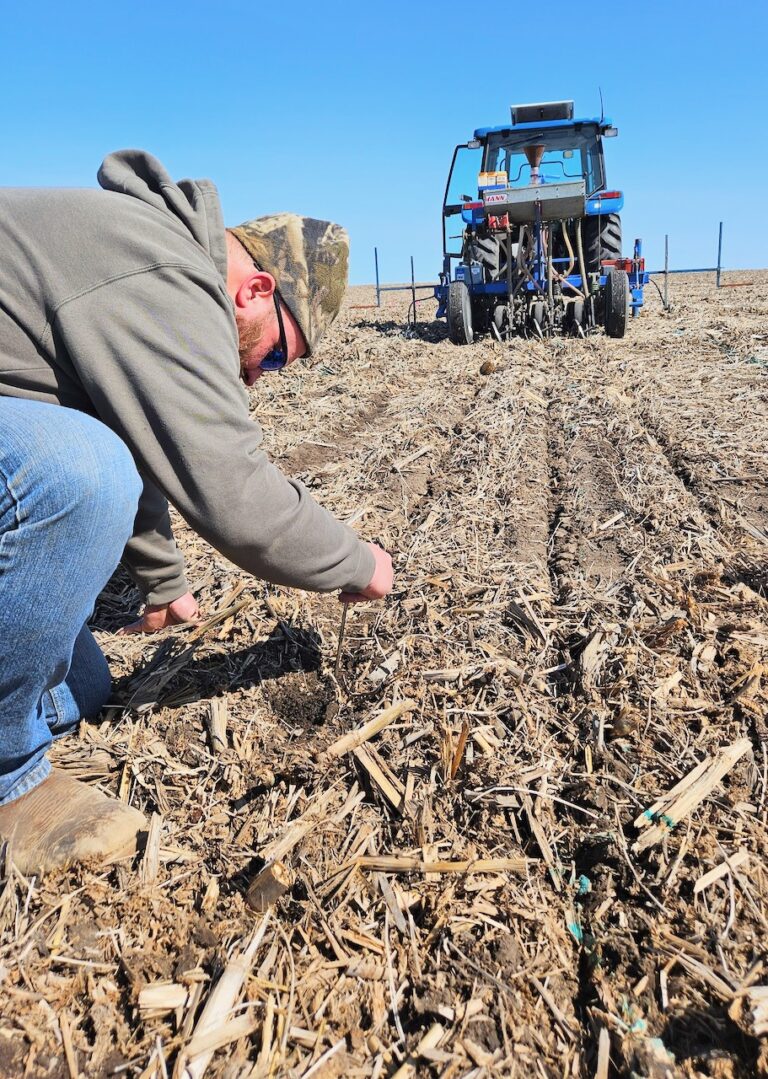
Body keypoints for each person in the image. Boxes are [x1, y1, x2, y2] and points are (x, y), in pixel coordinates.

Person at [0, 149, 393, 874]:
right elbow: (234, 494)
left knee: (79, 687)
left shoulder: (153, 256)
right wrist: (358, 561)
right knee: (80, 471)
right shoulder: (168, 273)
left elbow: (128, 426)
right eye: (275, 357)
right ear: (257, 290)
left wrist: (162, 581)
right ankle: (6, 781)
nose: (258, 376)